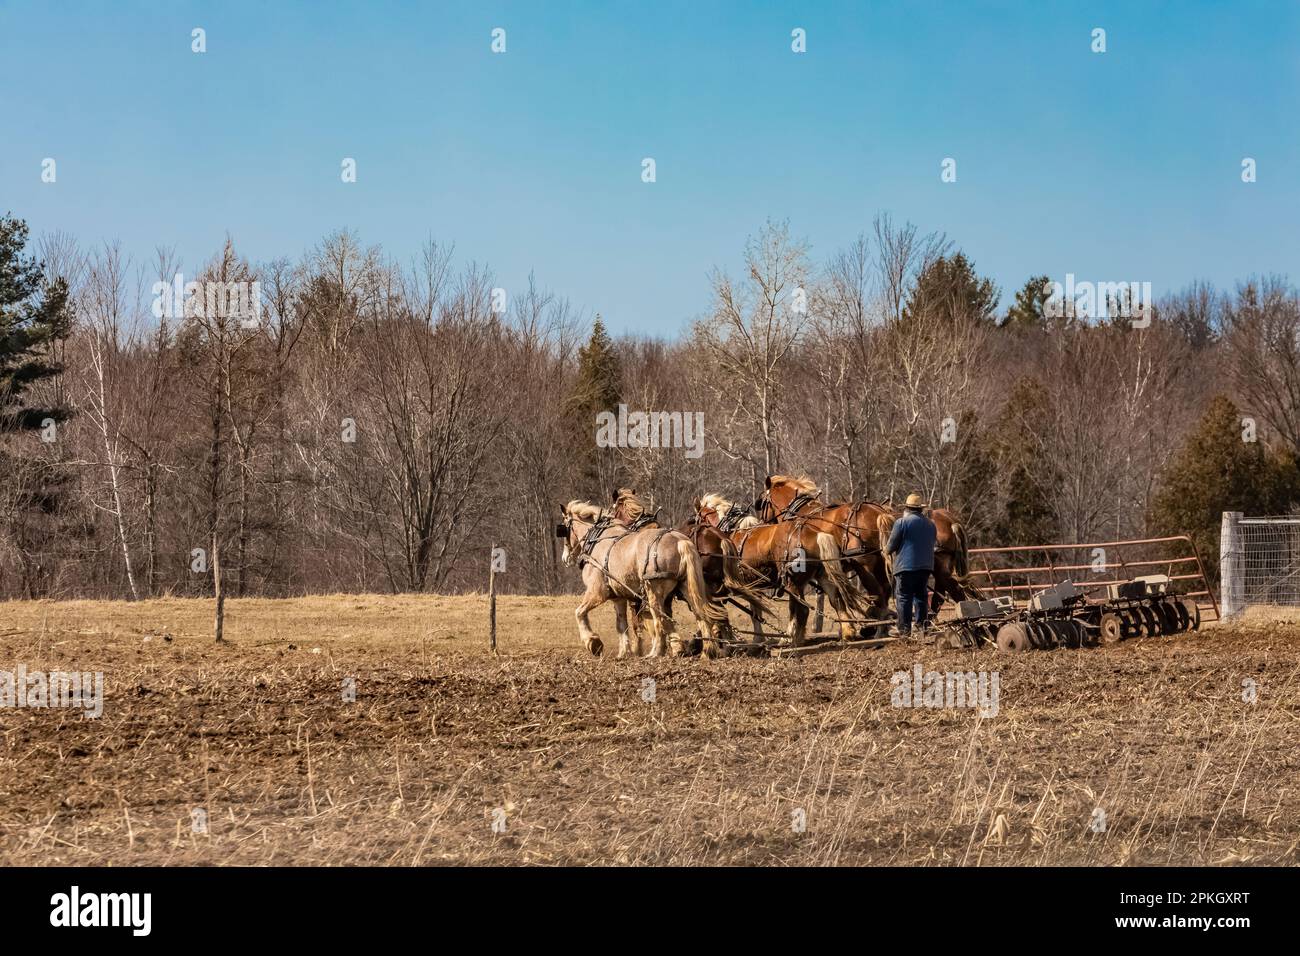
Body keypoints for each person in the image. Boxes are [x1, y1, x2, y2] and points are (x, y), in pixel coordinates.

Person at [886, 492, 937, 636]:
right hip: (925, 566)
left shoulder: (901, 523)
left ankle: (904, 630)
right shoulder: (930, 524)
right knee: (921, 595)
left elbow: (890, 547)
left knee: (903, 597)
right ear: (921, 509)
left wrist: (885, 549)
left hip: (905, 567)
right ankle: (921, 627)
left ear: (907, 508)